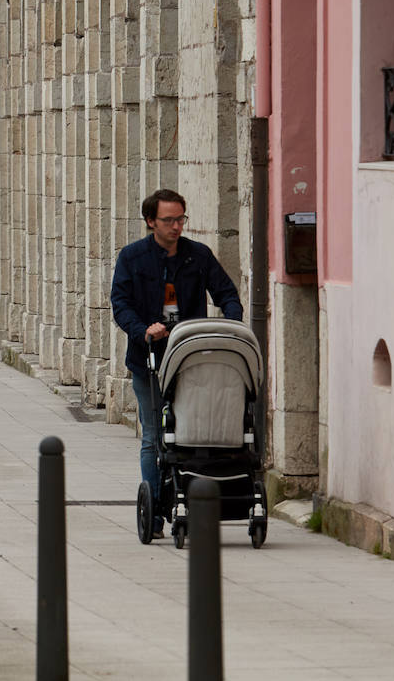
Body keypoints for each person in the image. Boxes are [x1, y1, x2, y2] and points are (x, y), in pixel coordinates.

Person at [110, 188, 242, 536]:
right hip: (149, 358)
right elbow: (120, 304)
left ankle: (189, 496)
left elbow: (226, 293)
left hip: (191, 358)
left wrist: (230, 323)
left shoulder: (197, 256)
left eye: (181, 218)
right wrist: (143, 330)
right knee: (154, 436)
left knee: (192, 431)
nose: (176, 226)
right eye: (168, 220)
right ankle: (153, 512)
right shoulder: (132, 258)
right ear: (151, 221)